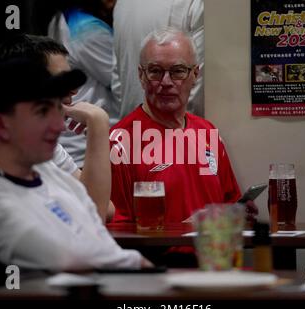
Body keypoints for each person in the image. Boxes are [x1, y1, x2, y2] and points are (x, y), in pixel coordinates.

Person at [0, 59, 152, 290]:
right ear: (0, 125)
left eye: (59, 109)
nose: (60, 126)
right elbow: (70, 257)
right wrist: (139, 265)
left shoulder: (49, 174)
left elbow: (100, 235)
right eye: (42, 111)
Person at [0, 35, 111, 221]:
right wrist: (98, 124)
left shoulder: (32, 130)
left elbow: (104, 208)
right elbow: (95, 212)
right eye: (61, 81)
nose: (73, 90)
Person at [110, 27, 257, 226]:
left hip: (214, 255)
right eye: (155, 71)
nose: (166, 82)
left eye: (178, 71)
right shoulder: (120, 141)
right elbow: (116, 231)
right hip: (158, 257)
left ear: (195, 74)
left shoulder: (207, 132)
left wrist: (237, 213)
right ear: (141, 76)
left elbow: (228, 202)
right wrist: (183, 229)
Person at [47, 0, 119, 166]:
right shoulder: (89, 30)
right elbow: (121, 82)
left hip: (77, 143)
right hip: (86, 146)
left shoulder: (61, 18)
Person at [111, 0, 204, 119]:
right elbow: (198, 84)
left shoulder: (123, 4)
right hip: (176, 131)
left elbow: (117, 79)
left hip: (132, 125)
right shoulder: (199, 3)